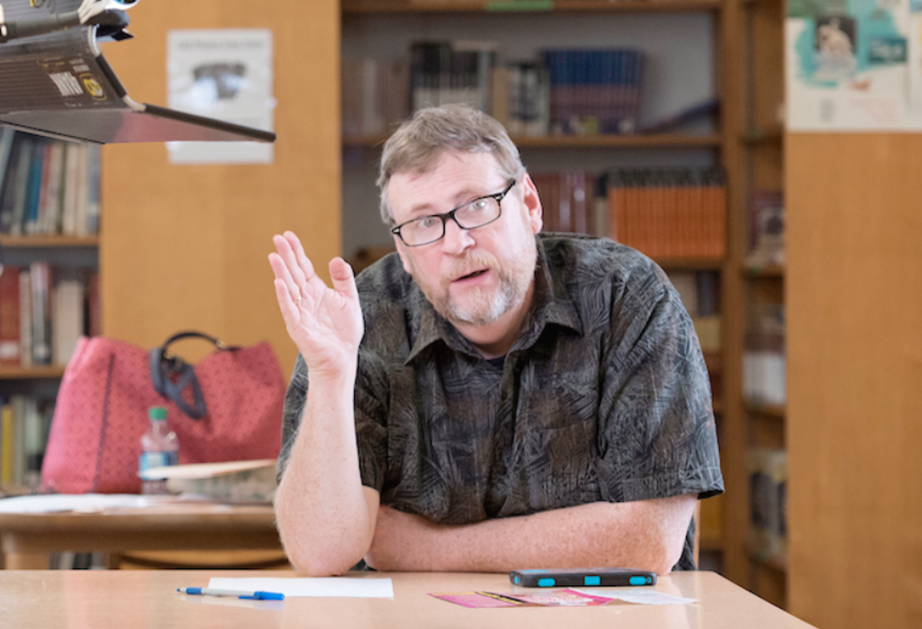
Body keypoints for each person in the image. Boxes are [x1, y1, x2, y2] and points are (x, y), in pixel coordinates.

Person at [267, 105, 723, 576]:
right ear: (402, 252)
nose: (456, 241)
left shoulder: (626, 297)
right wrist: (330, 375)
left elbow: (647, 542)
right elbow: (322, 555)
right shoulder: (361, 319)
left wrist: (424, 551)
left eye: (476, 205)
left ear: (529, 204)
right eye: (424, 222)